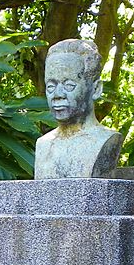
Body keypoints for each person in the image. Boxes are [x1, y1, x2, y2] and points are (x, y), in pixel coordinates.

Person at [34, 39, 123, 179]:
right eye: (51, 86)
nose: (57, 95)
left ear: (96, 89)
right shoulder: (43, 144)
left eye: (69, 85)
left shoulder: (105, 140)